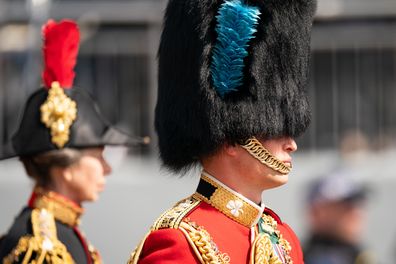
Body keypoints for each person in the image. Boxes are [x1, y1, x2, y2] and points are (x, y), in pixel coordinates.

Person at [127, 0, 316, 263]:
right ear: (233, 137)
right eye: (276, 129)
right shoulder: (181, 241)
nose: (291, 144)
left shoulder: (284, 240)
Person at [0, 19, 147, 264]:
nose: (107, 168)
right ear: (66, 168)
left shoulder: (60, 232)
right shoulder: (43, 245)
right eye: (98, 156)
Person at [303, 170, 375, 264]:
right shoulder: (315, 258)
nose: (356, 213)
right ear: (317, 212)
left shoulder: (356, 253)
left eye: (358, 205)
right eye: (346, 206)